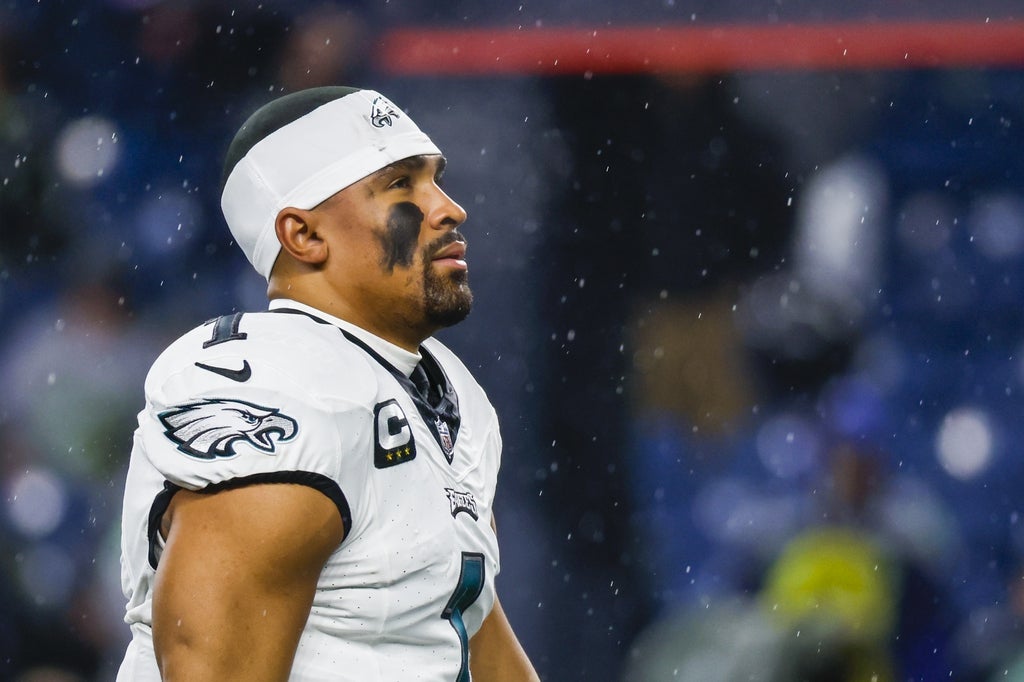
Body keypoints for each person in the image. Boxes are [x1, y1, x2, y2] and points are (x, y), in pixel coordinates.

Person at [116, 86, 539, 681]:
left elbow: (460, 622)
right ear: (304, 235)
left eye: (436, 179)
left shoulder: (447, 390)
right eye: (400, 184)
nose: (448, 208)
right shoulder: (280, 382)